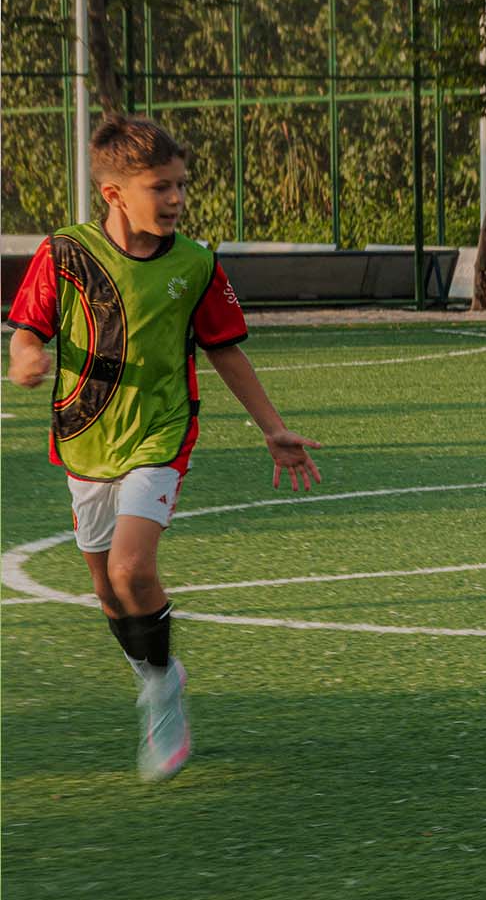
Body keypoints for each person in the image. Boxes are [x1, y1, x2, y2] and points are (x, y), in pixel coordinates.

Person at [5, 113, 322, 783]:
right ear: (115, 193)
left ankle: (162, 695)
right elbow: (27, 329)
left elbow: (225, 349)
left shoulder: (198, 264)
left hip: (162, 434)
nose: (177, 198)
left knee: (131, 572)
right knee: (107, 592)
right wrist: (25, 356)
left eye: (180, 184)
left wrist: (272, 427)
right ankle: (155, 671)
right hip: (85, 439)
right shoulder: (65, 254)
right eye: (161, 187)